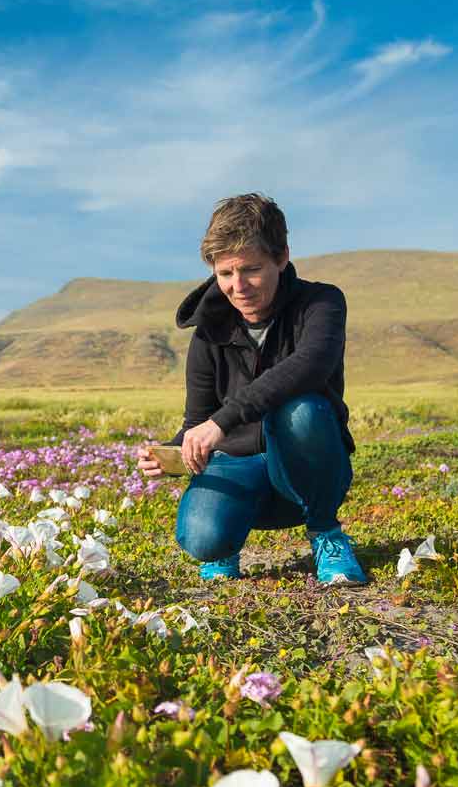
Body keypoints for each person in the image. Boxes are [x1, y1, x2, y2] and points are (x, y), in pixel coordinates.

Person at [136, 193, 368, 585]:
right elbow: (198, 419)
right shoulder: (208, 332)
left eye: (251, 270)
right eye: (225, 273)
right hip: (237, 466)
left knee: (302, 411)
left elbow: (309, 367)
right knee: (202, 538)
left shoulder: (321, 303)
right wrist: (172, 452)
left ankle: (326, 532)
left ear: (282, 257)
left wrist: (224, 420)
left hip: (306, 472)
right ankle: (226, 543)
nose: (237, 286)